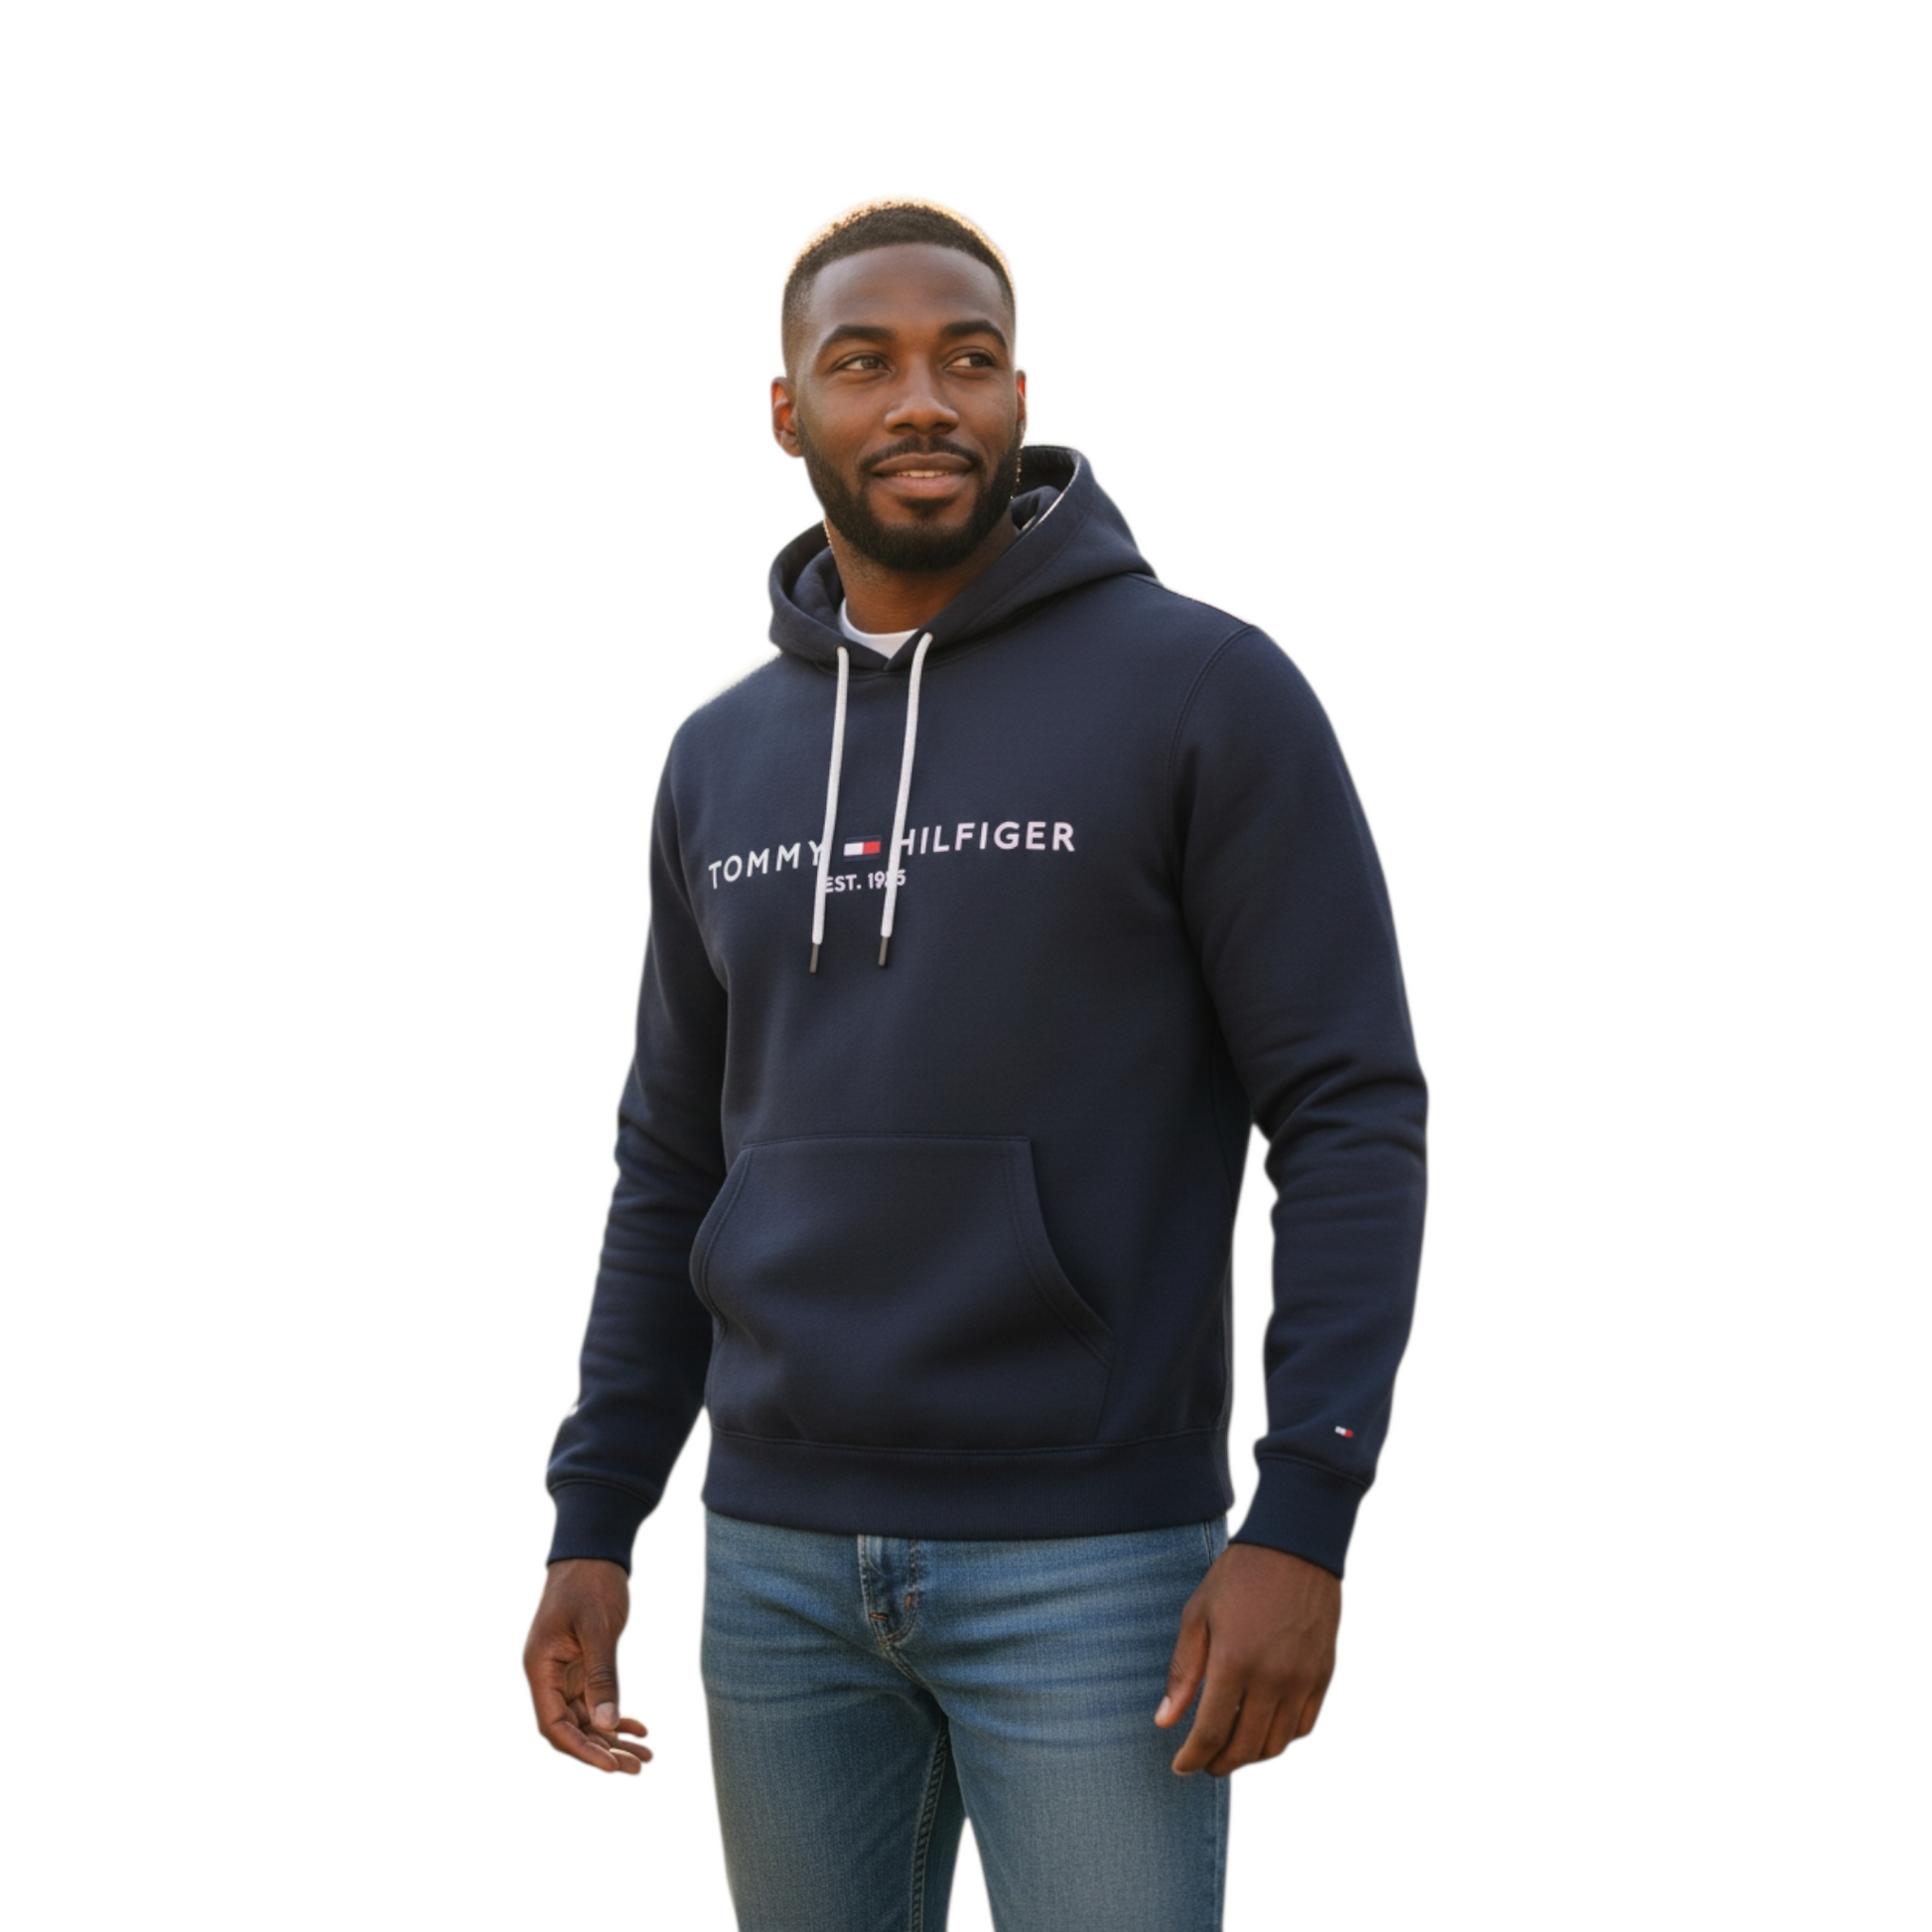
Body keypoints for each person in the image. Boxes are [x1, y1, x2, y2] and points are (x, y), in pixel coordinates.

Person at [523, 200, 1427, 1932]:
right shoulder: (718, 758)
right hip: (774, 1562)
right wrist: (595, 1512)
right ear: (787, 410)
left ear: (1019, 396)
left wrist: (1303, 1507)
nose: (921, 398)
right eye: (862, 362)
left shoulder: (1203, 691)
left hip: (1094, 1562)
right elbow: (673, 1160)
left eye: (969, 358)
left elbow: (1348, 1112)